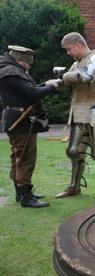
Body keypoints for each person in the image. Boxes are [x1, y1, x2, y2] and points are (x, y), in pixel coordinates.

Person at [0, 45, 61, 208]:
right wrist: (53, 86)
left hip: (17, 117)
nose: (29, 66)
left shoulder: (9, 70)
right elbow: (33, 93)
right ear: (20, 60)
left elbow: (27, 90)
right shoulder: (11, 72)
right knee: (25, 157)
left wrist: (46, 84)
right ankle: (25, 197)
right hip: (20, 119)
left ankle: (21, 192)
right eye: (28, 63)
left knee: (19, 156)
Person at [55, 32, 95, 199]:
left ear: (78, 45)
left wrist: (66, 76)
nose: (68, 53)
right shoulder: (76, 64)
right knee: (73, 151)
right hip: (78, 113)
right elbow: (68, 85)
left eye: (69, 49)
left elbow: (87, 77)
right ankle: (74, 186)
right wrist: (59, 81)